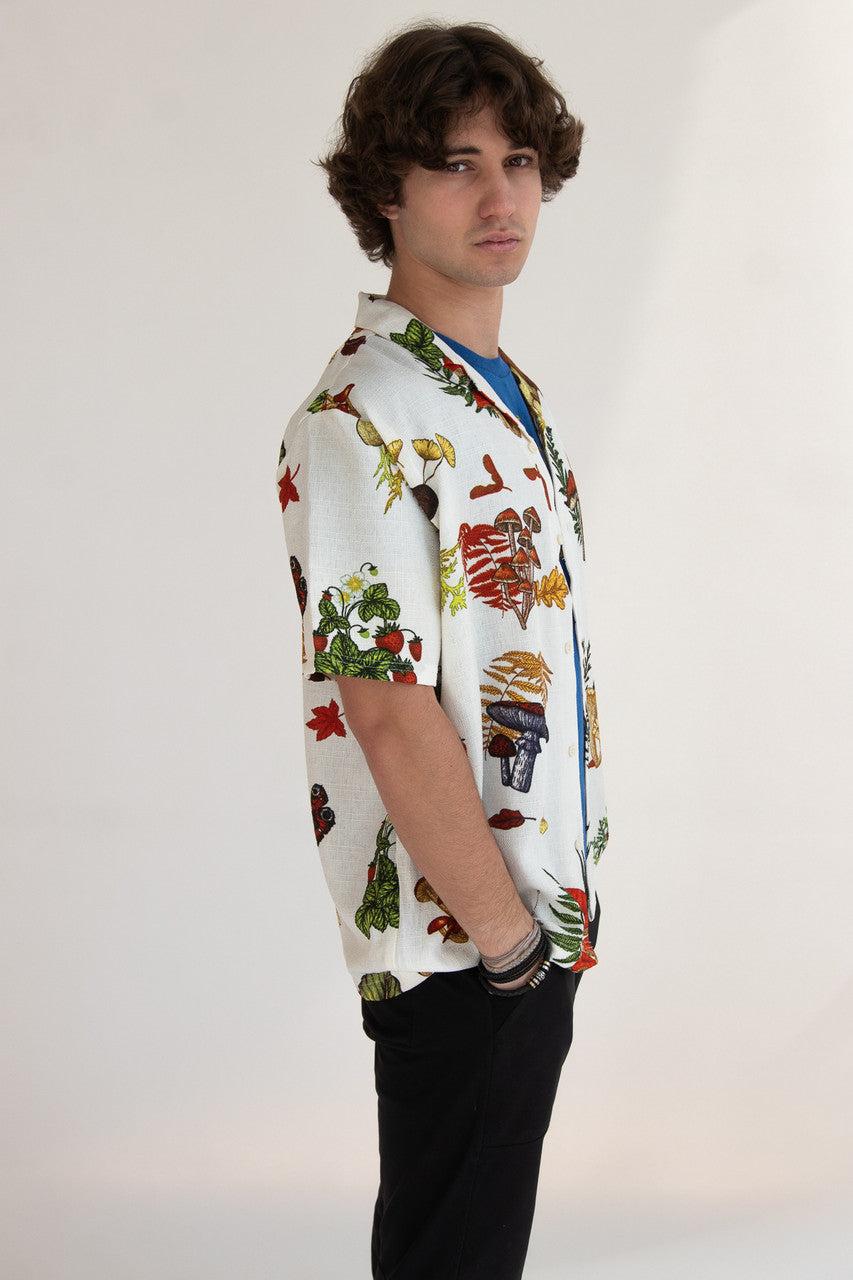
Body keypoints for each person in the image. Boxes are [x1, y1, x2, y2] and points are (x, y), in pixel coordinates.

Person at [275, 20, 610, 1278]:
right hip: (461, 938)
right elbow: (383, 701)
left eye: (517, 161)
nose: (499, 196)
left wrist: (543, 929)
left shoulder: (496, 390)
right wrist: (506, 943)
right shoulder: (361, 412)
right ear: (386, 191)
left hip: (530, 915)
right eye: (456, 164)